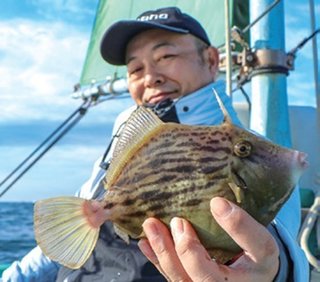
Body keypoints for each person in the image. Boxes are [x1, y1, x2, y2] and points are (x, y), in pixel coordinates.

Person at [2, 6, 309, 282]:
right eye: (135, 69)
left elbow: (278, 242)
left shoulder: (251, 151)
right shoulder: (122, 142)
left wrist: (275, 270)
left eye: (166, 56)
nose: (150, 77)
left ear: (211, 60)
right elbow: (70, 233)